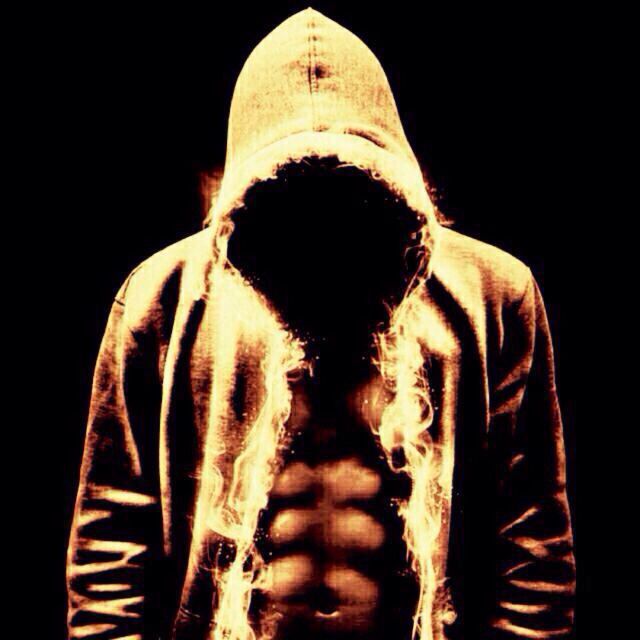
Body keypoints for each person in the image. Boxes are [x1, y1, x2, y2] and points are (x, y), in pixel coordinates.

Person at [67, 8, 575, 640]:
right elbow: (112, 541)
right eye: (294, 209)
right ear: (245, 203)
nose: (323, 240)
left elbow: (531, 544)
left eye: (348, 204)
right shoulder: (161, 298)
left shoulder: (492, 295)